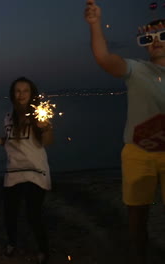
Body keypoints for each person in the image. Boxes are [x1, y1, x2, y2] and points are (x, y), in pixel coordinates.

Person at [85, 1, 165, 263]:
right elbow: (104, 58)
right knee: (137, 217)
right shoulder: (136, 69)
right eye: (148, 38)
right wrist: (95, 24)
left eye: (163, 35)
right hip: (137, 153)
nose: (156, 41)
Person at [0, 77, 53, 264]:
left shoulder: (40, 114)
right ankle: (12, 243)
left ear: (32, 94)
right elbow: (11, 141)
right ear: (13, 94)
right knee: (10, 212)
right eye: (17, 91)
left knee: (33, 214)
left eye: (25, 91)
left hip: (35, 170)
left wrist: (45, 128)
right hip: (13, 170)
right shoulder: (8, 117)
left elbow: (47, 142)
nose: (21, 94)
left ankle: (43, 249)